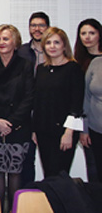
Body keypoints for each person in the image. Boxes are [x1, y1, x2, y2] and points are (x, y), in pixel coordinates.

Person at [0, 25, 34, 213]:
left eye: (6, 39)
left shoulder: (25, 65)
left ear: (15, 42)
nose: (2, 43)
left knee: (14, 172)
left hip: (17, 126)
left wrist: (10, 122)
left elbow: (29, 97)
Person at [32, 27, 84, 178]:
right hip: (43, 131)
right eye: (48, 43)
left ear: (64, 45)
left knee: (60, 175)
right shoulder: (42, 69)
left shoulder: (73, 68)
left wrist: (69, 132)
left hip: (64, 132)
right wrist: (35, 130)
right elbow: (38, 102)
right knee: (49, 174)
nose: (52, 46)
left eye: (57, 42)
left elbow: (77, 104)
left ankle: (63, 203)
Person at [16, 11, 50, 187]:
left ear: (48, 27)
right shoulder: (21, 52)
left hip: (48, 112)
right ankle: (26, 202)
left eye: (41, 25)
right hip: (26, 114)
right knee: (26, 160)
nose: (37, 29)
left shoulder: (55, 51)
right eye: (33, 25)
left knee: (51, 162)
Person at [75, 18, 102, 183]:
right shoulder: (77, 61)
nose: (87, 37)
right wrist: (83, 129)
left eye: (91, 33)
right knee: (94, 171)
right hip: (91, 126)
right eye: (83, 33)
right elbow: (82, 98)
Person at [84, 57, 102, 182]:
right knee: (98, 174)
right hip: (95, 129)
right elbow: (86, 97)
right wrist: (84, 129)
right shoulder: (96, 63)